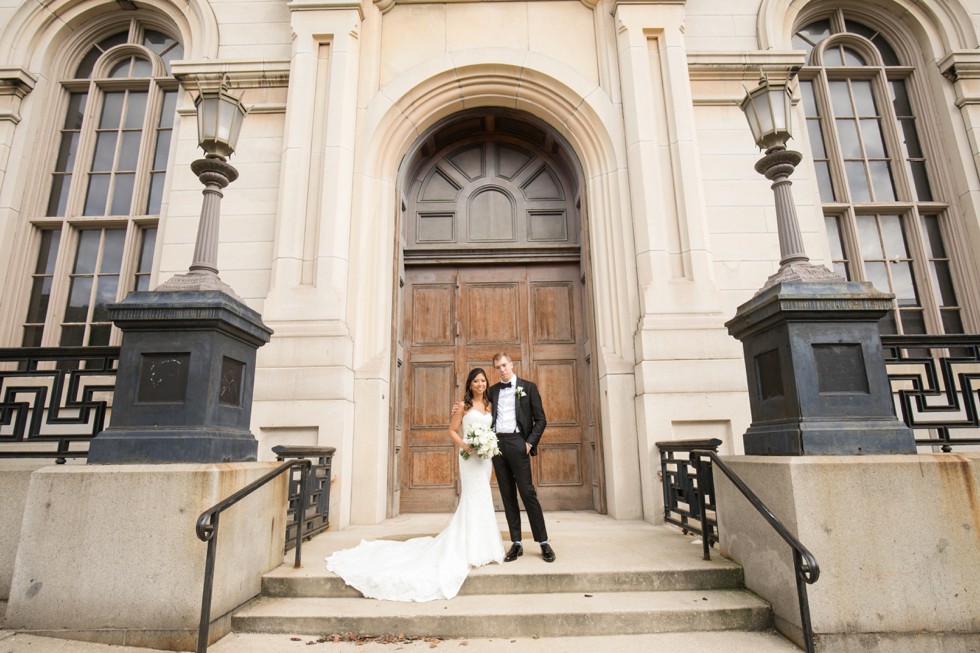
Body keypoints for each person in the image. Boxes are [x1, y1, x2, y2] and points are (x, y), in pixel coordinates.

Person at [325, 368, 504, 601]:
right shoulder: (463, 406)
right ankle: (467, 546)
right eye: (476, 381)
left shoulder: (489, 406)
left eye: (483, 381)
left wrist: (488, 444)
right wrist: (466, 445)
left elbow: (492, 429)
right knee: (471, 497)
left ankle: (485, 546)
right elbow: (451, 430)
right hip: (470, 458)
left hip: (485, 459)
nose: (480, 384)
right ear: (470, 384)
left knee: (483, 497)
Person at [487, 352, 554, 563]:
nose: (502, 369)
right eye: (498, 367)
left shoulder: (528, 387)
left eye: (504, 365)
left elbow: (541, 420)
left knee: (527, 493)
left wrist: (528, 443)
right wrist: (460, 408)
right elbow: (479, 408)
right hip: (498, 445)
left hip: (518, 443)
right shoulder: (492, 391)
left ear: (512, 365)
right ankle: (516, 543)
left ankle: (543, 542)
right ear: (495, 369)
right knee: (507, 495)